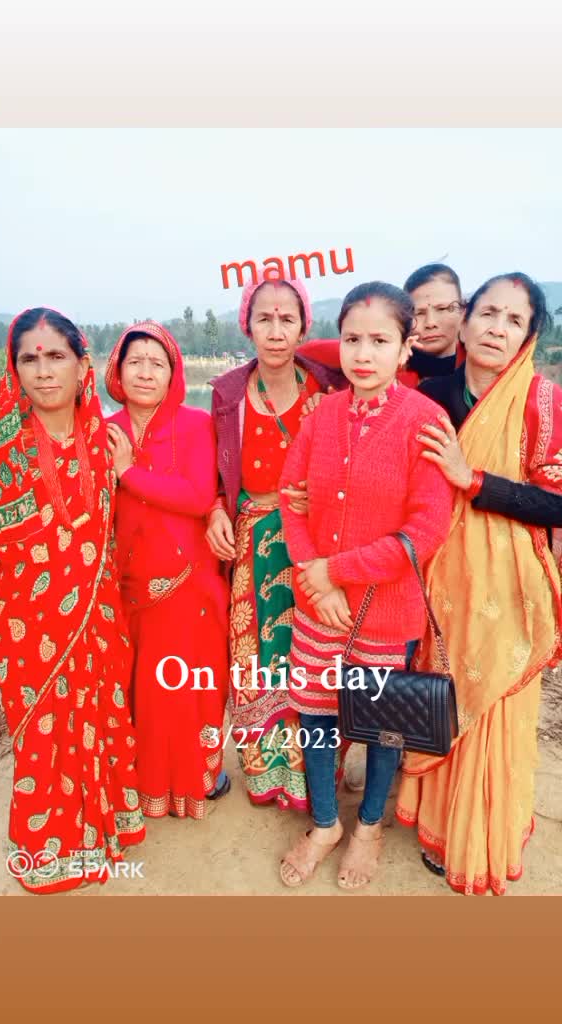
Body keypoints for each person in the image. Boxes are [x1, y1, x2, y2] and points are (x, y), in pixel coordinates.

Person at [277, 282, 454, 888]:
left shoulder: (425, 421)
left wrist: (338, 572)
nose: (363, 353)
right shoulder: (322, 415)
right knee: (316, 716)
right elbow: (291, 499)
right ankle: (327, 824)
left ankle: (369, 826)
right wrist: (317, 580)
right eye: (353, 338)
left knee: (383, 725)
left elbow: (426, 530)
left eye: (380, 340)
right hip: (319, 608)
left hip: (385, 612)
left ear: (405, 349)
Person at [396, 273, 562, 895]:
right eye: (488, 313)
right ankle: (439, 825)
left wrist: (474, 480)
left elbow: (557, 503)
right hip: (439, 578)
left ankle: (484, 836)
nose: (497, 328)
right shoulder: (430, 395)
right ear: (463, 322)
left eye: (514, 320)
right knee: (440, 693)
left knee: (493, 710)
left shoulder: (543, 403)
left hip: (511, 590)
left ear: (529, 337)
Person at [0, 308, 145, 893]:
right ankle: (46, 852)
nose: (44, 371)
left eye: (56, 356)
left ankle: (100, 833)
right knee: (42, 741)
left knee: (100, 722)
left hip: (97, 620)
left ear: (82, 366)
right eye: (30, 359)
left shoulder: (107, 442)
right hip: (31, 631)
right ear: (14, 370)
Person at [207, 272, 345, 811]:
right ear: (247, 325)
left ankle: (317, 775)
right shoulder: (228, 393)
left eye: (288, 319)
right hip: (253, 541)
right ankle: (268, 774)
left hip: (312, 541)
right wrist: (214, 511)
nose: (275, 330)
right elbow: (217, 474)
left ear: (304, 327)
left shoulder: (327, 386)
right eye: (263, 318)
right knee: (257, 657)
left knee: (314, 655)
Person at [105, 321, 230, 819]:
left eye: (157, 363)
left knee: (183, 689)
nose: (145, 372)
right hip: (127, 587)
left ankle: (195, 783)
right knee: (141, 692)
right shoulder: (103, 429)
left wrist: (128, 473)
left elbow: (198, 497)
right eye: (135, 361)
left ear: (173, 374)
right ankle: (146, 786)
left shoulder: (195, 424)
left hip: (186, 587)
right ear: (117, 371)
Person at [298, 263, 465, 390]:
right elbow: (307, 352)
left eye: (443, 309)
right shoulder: (389, 359)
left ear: (463, 311)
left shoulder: (475, 368)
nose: (431, 323)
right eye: (419, 313)